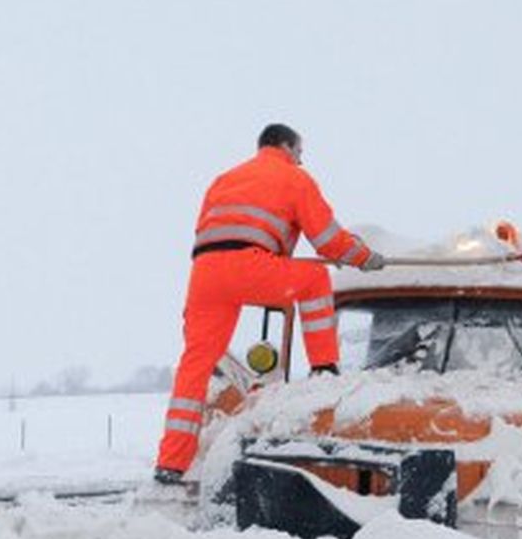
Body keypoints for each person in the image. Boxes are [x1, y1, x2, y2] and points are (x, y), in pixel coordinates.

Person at [154, 124, 384, 483]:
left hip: (205, 273)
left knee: (195, 365)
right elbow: (326, 239)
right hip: (248, 263)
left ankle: (170, 464)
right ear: (288, 147)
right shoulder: (294, 178)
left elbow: (211, 231)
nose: (301, 159)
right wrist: (363, 257)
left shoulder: (223, 179)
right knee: (314, 280)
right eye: (300, 152)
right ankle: (324, 367)